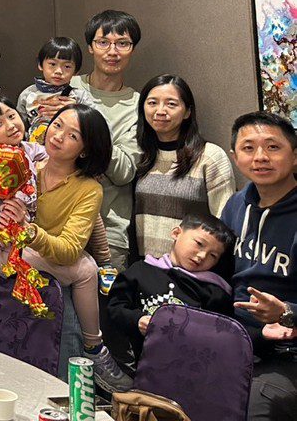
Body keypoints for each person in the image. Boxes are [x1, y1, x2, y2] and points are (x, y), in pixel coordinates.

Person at [0, 101, 132, 392]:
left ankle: (91, 352)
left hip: (35, 251)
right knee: (84, 268)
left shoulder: (82, 185)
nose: (58, 136)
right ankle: (94, 348)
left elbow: (73, 244)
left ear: (85, 149)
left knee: (85, 268)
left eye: (72, 135)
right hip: (2, 246)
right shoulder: (17, 163)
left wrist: (29, 230)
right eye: (57, 125)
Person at [220, 111, 297, 421]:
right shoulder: (235, 205)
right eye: (248, 148)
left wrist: (286, 312)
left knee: (253, 408)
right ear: (235, 156)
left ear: (295, 156)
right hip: (236, 339)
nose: (260, 157)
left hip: (286, 352)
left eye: (273, 147)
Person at [107, 213, 233, 363]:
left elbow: (221, 334)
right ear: (176, 233)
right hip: (137, 363)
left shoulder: (214, 290)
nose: (202, 256)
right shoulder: (141, 271)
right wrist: (137, 320)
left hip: (189, 366)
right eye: (199, 244)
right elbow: (115, 307)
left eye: (213, 255)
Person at [133, 75, 235, 259]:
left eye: (171, 104)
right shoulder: (141, 155)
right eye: (152, 103)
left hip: (193, 268)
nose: (160, 111)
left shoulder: (209, 156)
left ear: (187, 112)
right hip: (147, 266)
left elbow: (224, 223)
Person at [70, 10, 142, 269]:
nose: (113, 51)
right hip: (55, 221)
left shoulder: (138, 105)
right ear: (90, 47)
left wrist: (90, 130)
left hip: (110, 231)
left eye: (122, 43)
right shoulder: (67, 86)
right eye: (103, 42)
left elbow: (124, 172)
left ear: (132, 49)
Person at [16, 36, 96, 144]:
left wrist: (77, 110)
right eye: (52, 64)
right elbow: (19, 128)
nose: (58, 71)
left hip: (67, 149)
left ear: (76, 71)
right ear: (40, 64)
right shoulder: (27, 94)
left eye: (67, 66)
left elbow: (100, 126)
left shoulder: (79, 97)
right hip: (33, 149)